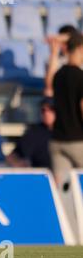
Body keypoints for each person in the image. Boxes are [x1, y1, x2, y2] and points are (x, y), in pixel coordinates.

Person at [49, 32, 83, 189]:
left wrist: (54, 52)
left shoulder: (58, 75)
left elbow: (48, 85)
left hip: (57, 140)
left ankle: (67, 214)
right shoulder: (80, 77)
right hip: (77, 140)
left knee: (63, 189)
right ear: (80, 49)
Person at [6, 97, 55, 168]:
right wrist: (19, 164)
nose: (46, 113)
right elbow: (13, 155)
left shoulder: (67, 133)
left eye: (51, 109)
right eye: (43, 110)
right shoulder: (34, 132)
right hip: (40, 174)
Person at [44, 25, 79, 97]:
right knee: (48, 92)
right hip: (63, 94)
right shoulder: (54, 59)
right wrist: (54, 54)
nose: (65, 46)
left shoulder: (80, 54)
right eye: (62, 42)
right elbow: (49, 85)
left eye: (67, 42)